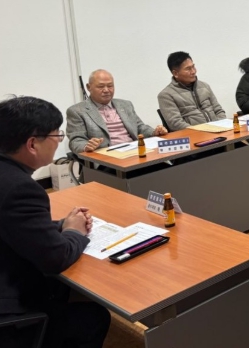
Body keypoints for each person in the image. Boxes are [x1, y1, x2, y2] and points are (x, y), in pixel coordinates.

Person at [0, 96, 110, 348]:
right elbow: (56, 258)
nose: (60, 141)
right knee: (94, 317)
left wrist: (61, 225)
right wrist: (74, 232)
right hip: (10, 313)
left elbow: (15, 226)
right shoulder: (19, 188)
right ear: (32, 144)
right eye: (57, 135)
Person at [67, 70, 167, 154]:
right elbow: (76, 140)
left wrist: (154, 132)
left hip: (134, 151)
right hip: (106, 156)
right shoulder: (77, 111)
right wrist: (86, 146)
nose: (106, 90)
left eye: (110, 86)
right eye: (101, 86)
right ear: (89, 87)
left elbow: (139, 127)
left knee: (164, 163)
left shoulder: (125, 105)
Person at [158, 51, 227, 131]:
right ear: (175, 73)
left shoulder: (204, 86)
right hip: (194, 135)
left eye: (193, 67)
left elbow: (219, 111)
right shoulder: (166, 95)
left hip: (218, 131)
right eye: (188, 69)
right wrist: (204, 131)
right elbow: (176, 124)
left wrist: (222, 126)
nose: (193, 71)